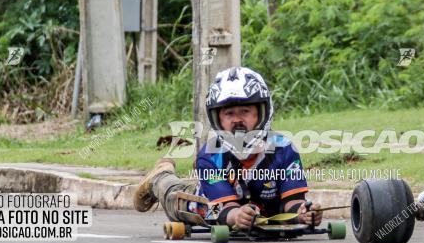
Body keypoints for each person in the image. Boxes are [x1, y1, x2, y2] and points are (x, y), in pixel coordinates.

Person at [134, 67, 322, 230]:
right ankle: (161, 176)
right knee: (176, 198)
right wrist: (236, 216)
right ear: (218, 118)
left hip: (266, 211)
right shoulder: (209, 156)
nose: (237, 120)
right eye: (229, 113)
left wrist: (302, 212)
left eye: (245, 112)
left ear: (262, 112)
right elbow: (225, 207)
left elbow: (292, 201)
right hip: (209, 204)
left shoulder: (285, 149)